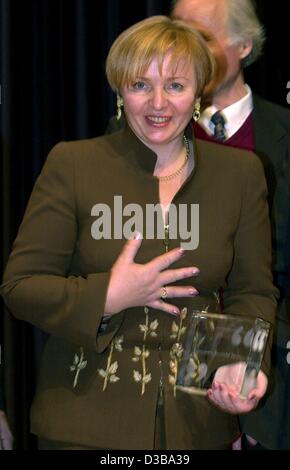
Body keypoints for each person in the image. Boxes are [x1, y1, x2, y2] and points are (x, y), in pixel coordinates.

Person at [0, 16, 277, 450]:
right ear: (119, 91)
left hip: (199, 426)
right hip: (82, 423)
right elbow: (20, 287)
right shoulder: (72, 164)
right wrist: (108, 296)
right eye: (140, 85)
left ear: (199, 91)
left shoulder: (240, 174)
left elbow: (253, 289)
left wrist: (236, 362)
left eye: (175, 85)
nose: (158, 104)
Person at [171, 0, 290, 450]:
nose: (185, 49)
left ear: (243, 46)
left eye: (202, 37)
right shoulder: (140, 131)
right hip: (166, 388)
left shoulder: (285, 133)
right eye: (177, 32)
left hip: (271, 388)